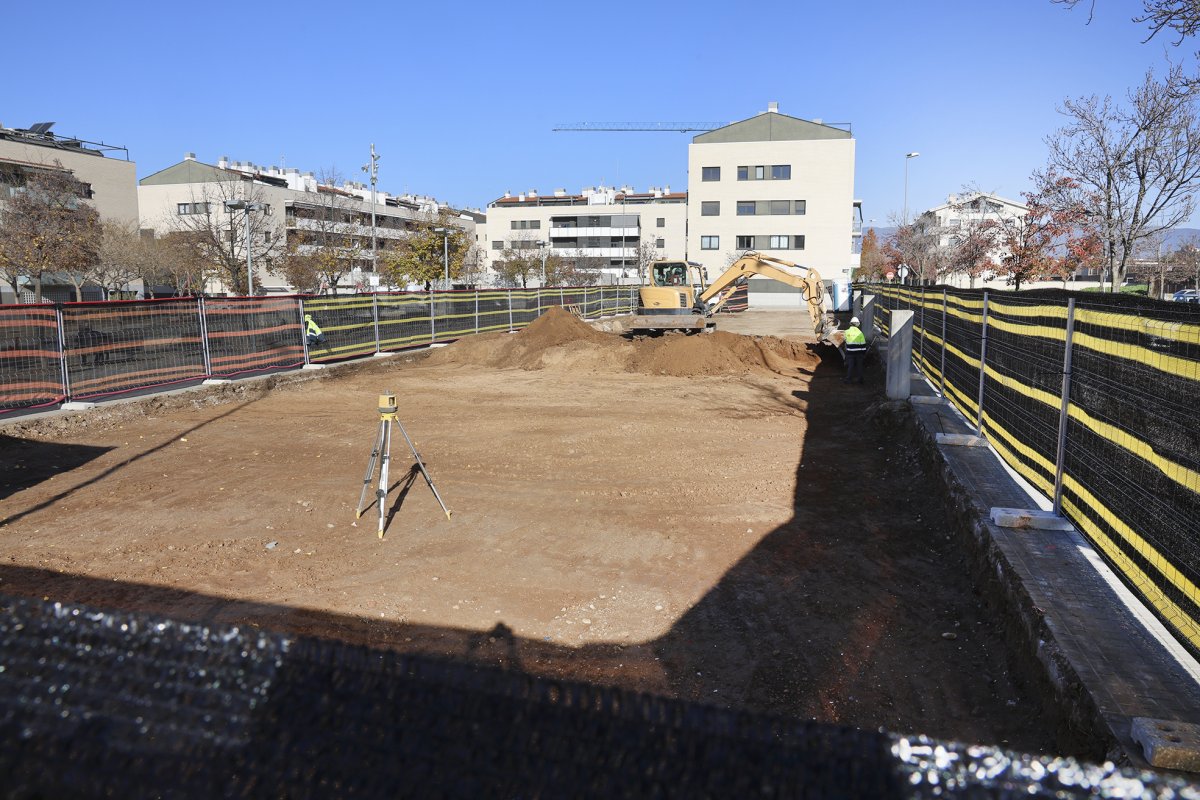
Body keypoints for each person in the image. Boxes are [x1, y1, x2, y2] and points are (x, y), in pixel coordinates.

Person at [843, 316, 868, 384]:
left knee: (850, 366)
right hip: (859, 353)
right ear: (858, 324)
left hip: (850, 352)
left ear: (850, 323)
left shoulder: (846, 332)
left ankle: (848, 379)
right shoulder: (860, 333)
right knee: (859, 366)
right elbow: (863, 345)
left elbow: (844, 340)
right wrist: (864, 353)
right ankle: (860, 379)